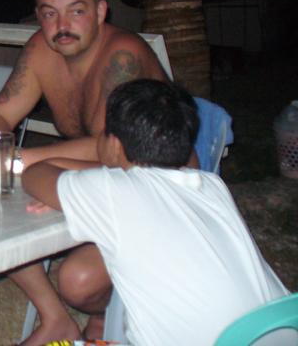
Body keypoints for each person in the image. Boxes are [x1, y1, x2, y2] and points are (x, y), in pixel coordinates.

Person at [0, 0, 172, 344]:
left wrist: (7, 161)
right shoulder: (41, 48)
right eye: (50, 13)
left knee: (78, 282)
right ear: (38, 15)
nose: (62, 25)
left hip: (149, 186)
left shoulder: (122, 57)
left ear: (100, 11)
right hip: (90, 175)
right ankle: (54, 318)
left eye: (76, 11)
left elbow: (110, 149)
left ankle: (105, 315)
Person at [23, 79, 289, 346]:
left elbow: (35, 174)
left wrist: (75, 181)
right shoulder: (212, 185)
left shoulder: (114, 191)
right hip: (282, 329)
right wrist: (83, 182)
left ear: (114, 145)